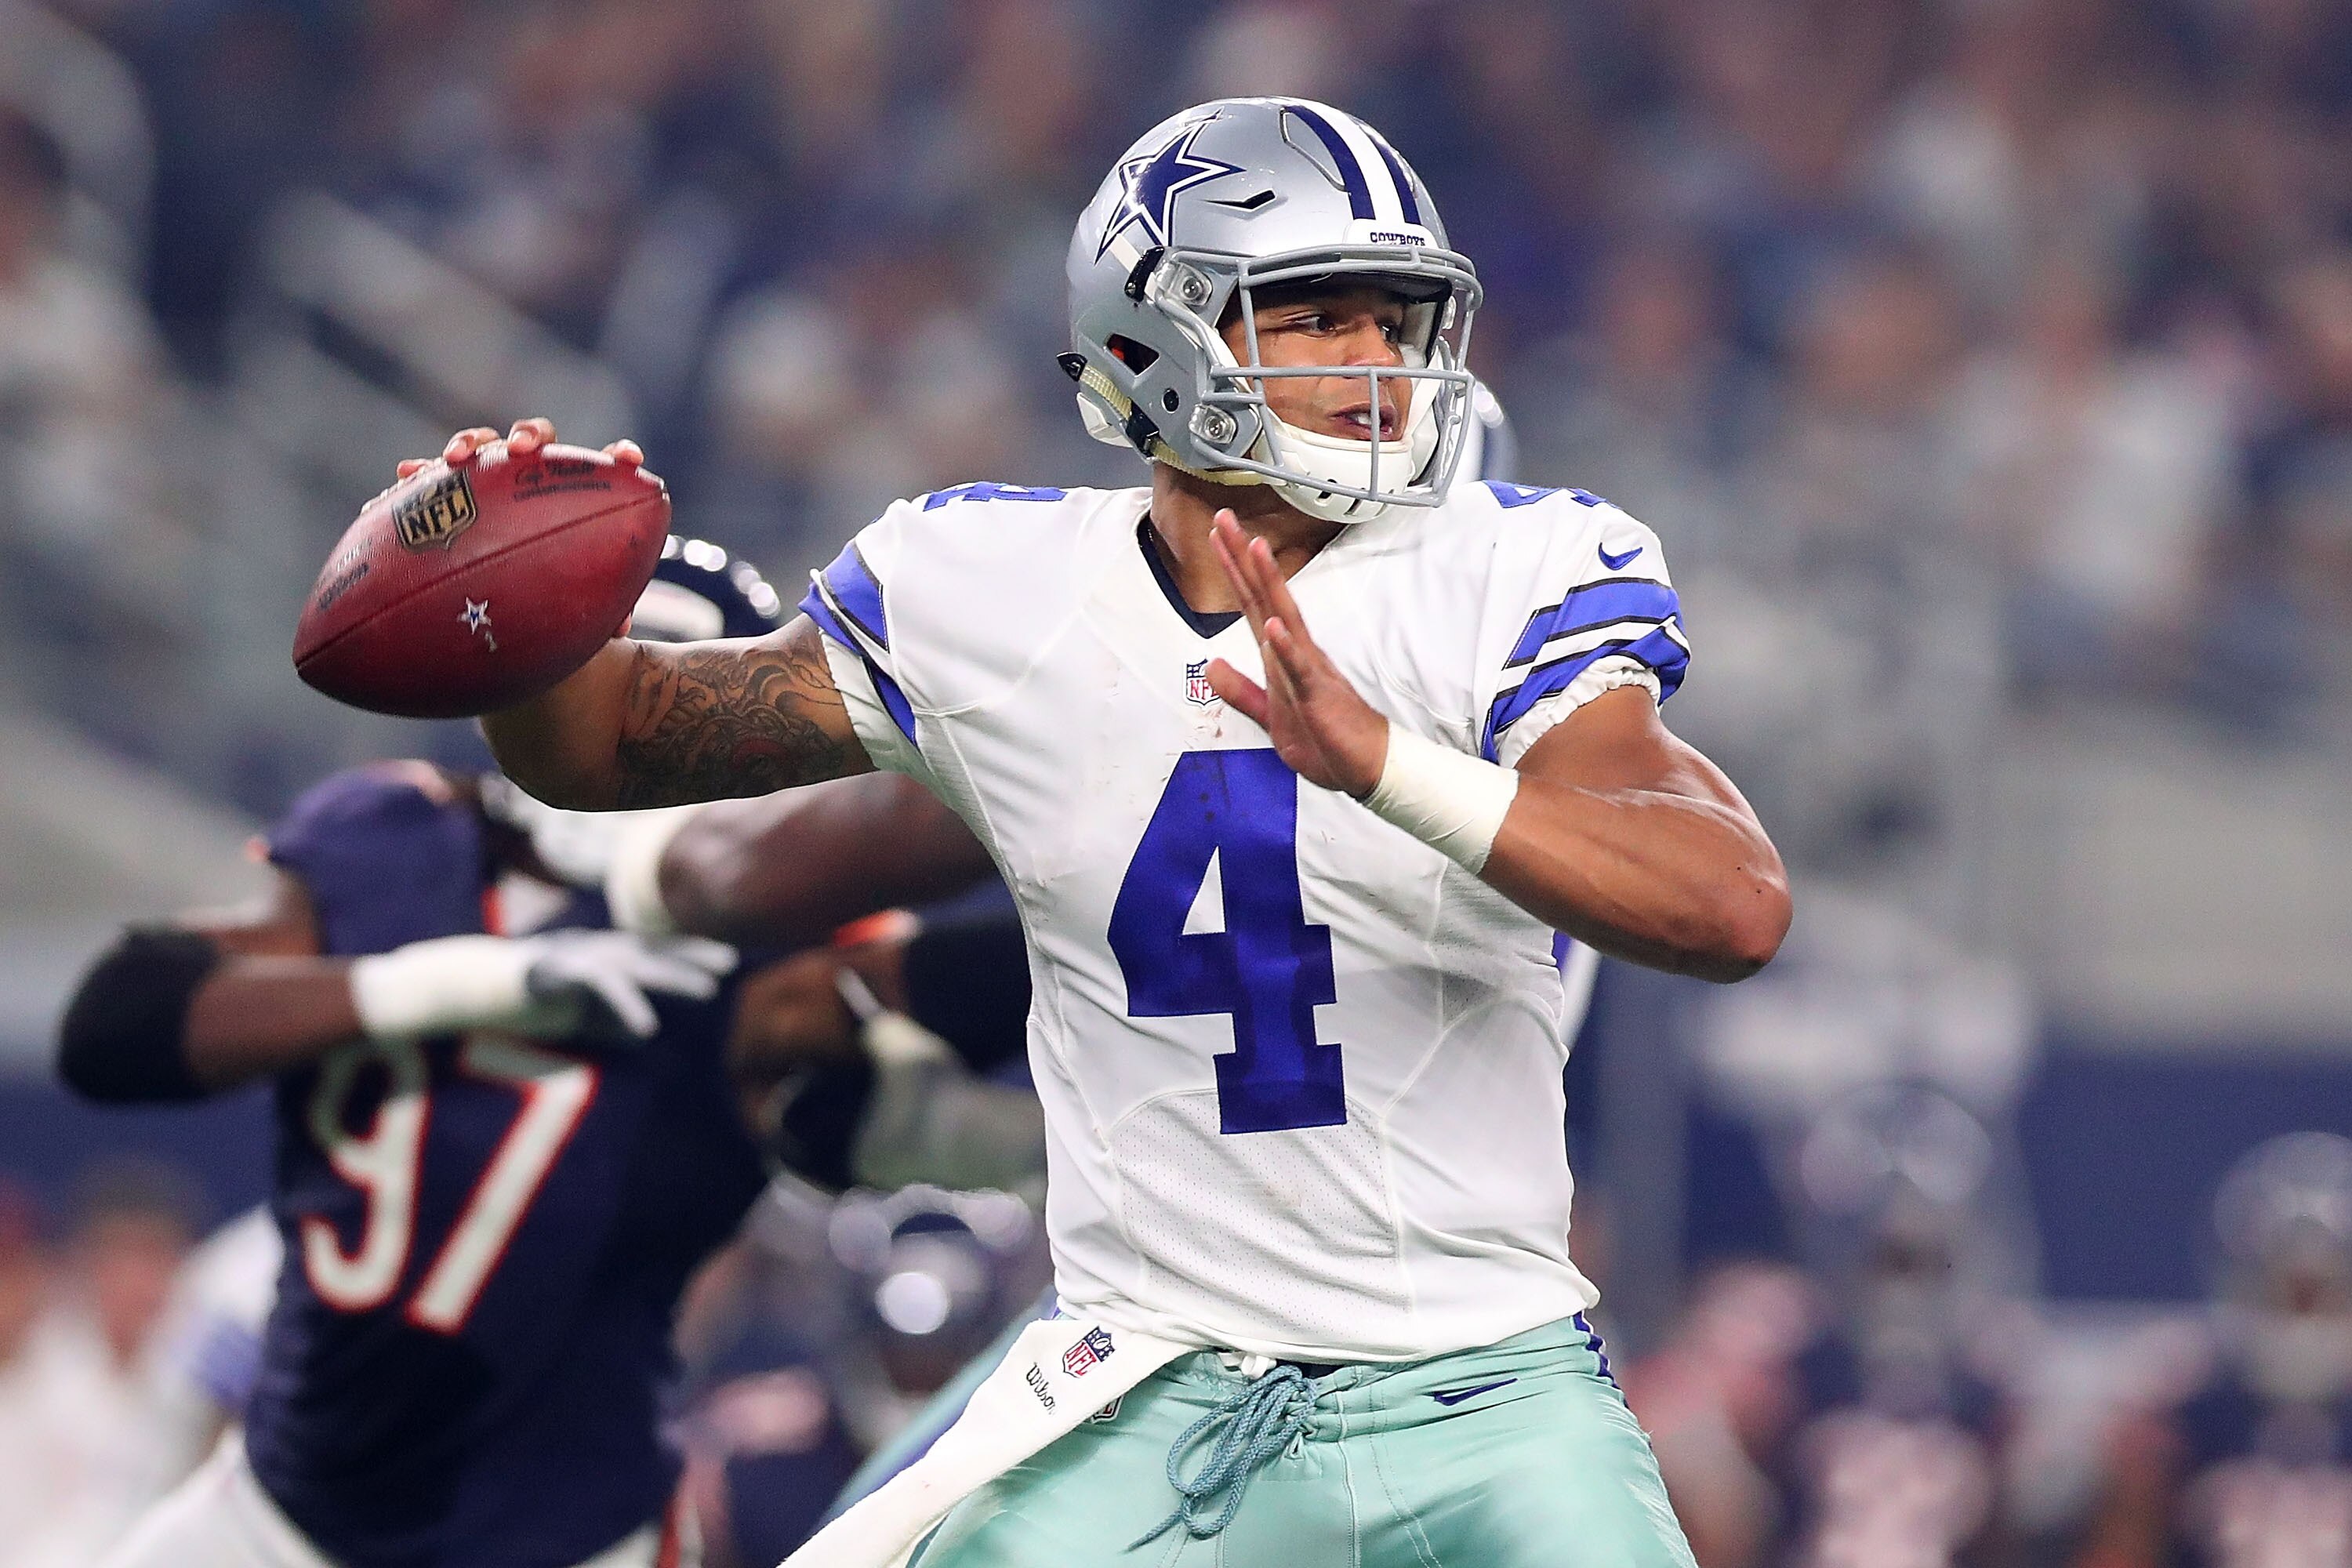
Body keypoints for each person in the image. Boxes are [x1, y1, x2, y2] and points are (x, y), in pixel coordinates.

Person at [397, 96, 1788, 1567]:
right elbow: (608, 744)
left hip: (1484, 1388)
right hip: (1152, 1384)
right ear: (1154, 335)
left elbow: (1734, 905)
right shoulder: (993, 588)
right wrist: (502, 609)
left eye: (1397, 321)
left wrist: (1387, 767)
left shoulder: (1510, 568)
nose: (1379, 364)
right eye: (1319, 318)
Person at [54, 543, 1040, 1568]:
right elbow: (116, 1026)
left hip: (571, 1538)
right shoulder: (398, 838)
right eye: (596, 685)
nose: (618, 738)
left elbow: (929, 997)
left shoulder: (771, 951)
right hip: (280, 1515)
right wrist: (460, 985)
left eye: (661, 710)